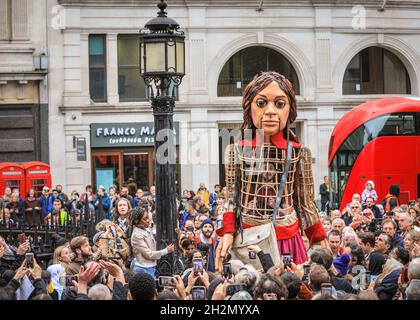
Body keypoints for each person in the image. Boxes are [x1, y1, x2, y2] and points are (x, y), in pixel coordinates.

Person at [217, 71, 326, 270]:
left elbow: (305, 201)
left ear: (289, 109)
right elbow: (231, 197)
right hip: (250, 236)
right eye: (261, 103)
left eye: (279, 104)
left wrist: (318, 237)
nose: (270, 111)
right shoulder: (236, 151)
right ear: (249, 107)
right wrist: (228, 232)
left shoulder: (299, 153)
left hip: (288, 236)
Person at [130, 207, 174, 278]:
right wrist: (166, 251)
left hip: (152, 267)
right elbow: (148, 254)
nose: (148, 220)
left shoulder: (147, 228)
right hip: (143, 269)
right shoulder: (136, 235)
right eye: (145, 219)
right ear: (136, 221)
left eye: (148, 218)